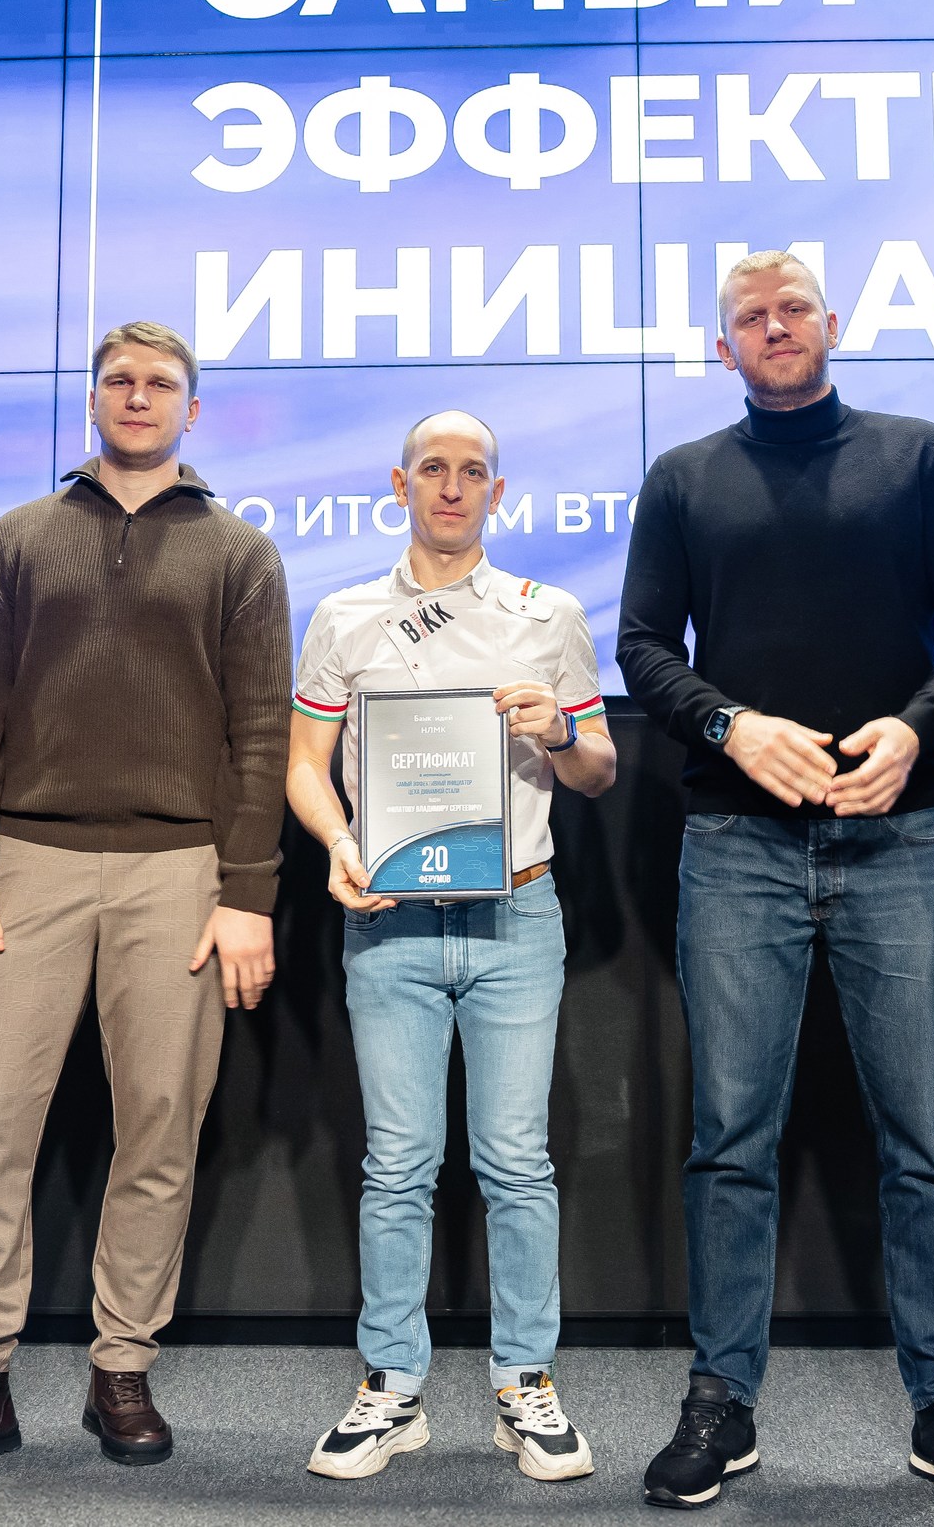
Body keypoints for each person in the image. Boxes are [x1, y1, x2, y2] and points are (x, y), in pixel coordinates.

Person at [617, 252, 934, 1516]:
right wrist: (729, 725)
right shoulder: (683, 478)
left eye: (792, 308)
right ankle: (721, 1400)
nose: (775, 326)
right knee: (729, 1142)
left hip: (897, 839)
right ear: (724, 347)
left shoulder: (918, 457)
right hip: (734, 847)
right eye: (750, 317)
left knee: (925, 1142)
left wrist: (916, 725)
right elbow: (641, 646)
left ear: (832, 324)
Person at [0, 320, 291, 1484]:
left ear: (192, 409)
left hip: (182, 873)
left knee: (159, 1124)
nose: (137, 397)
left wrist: (248, 893)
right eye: (118, 381)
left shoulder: (241, 553)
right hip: (26, 865)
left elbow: (260, 738)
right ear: (93, 400)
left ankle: (123, 1366)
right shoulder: (20, 538)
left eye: (160, 383)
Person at [286, 411, 617, 1484]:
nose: (452, 486)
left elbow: (600, 769)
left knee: (516, 1162)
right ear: (400, 484)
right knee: (397, 1164)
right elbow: (303, 764)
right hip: (388, 918)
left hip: (515, 915)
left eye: (473, 472)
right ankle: (392, 1388)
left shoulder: (546, 614)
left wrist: (559, 732)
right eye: (433, 468)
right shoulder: (345, 617)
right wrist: (340, 842)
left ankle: (526, 1385)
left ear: (496, 492)